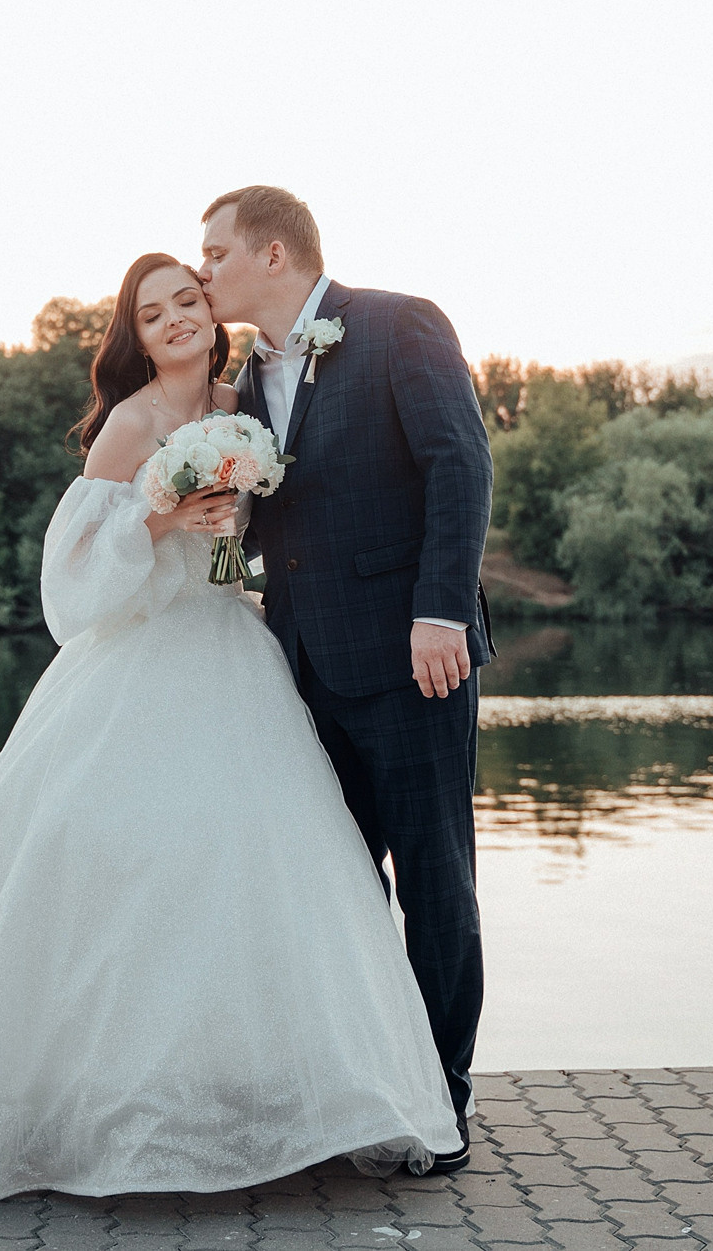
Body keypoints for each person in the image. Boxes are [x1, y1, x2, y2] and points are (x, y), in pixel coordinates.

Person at [0, 252, 463, 1212]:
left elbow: (283, 526)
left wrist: (239, 549)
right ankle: (99, 1101)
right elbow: (73, 588)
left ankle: (267, 1100)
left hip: (237, 654)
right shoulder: (127, 426)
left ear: (210, 314)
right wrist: (166, 522)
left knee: (268, 873)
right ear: (131, 335)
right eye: (154, 313)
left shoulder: (247, 402)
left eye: (188, 300)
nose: (178, 318)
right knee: (114, 866)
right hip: (142, 665)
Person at [196, 186, 494, 1164]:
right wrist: (216, 567)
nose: (204, 272)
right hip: (303, 672)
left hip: (417, 661)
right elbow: (262, 526)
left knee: (437, 888)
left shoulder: (399, 325)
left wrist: (439, 609)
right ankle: (361, 1087)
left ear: (272, 255)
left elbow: (459, 463)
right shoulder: (243, 377)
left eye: (216, 253)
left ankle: (441, 1100)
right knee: (336, 888)